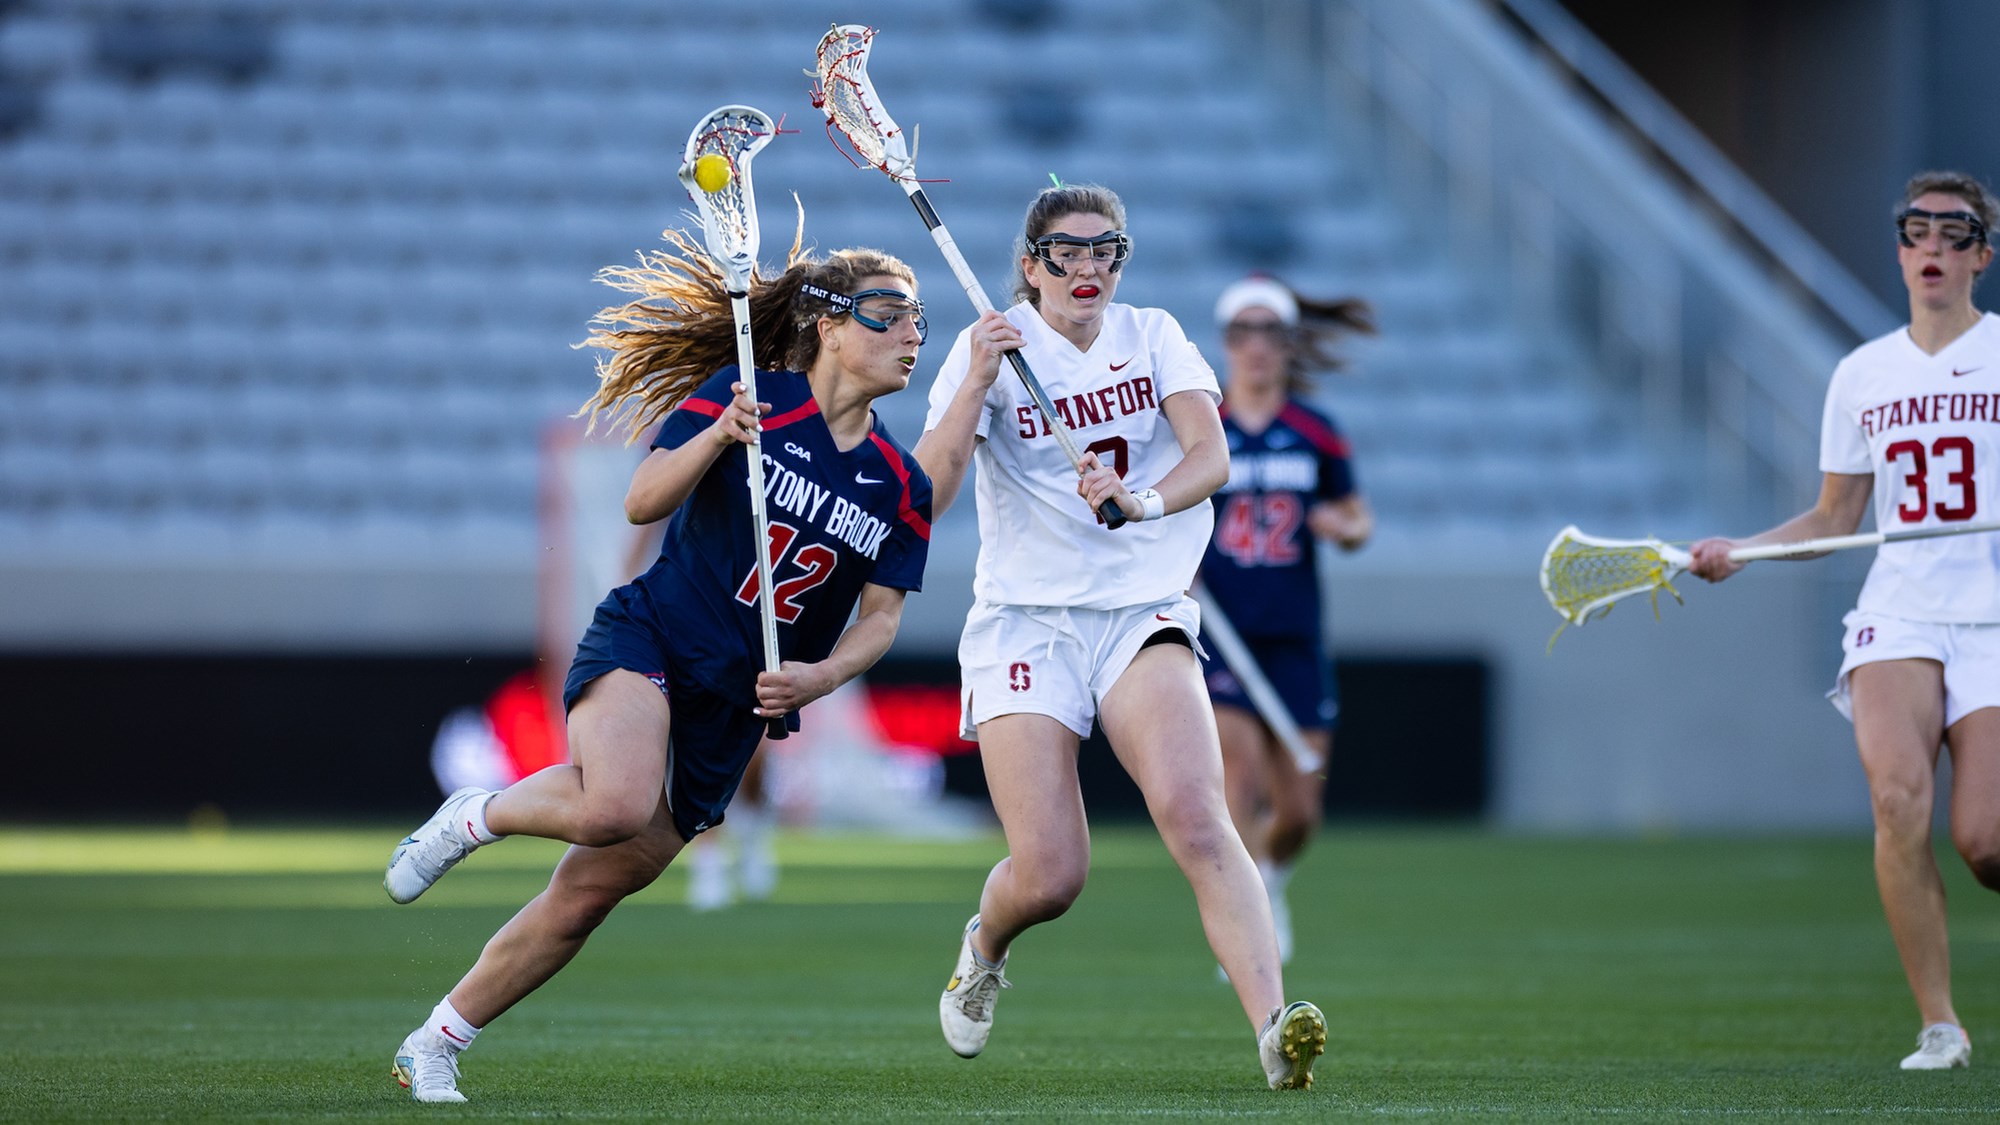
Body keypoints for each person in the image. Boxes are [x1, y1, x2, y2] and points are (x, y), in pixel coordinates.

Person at [381, 227, 935, 1103]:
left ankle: (436, 1039)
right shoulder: (747, 397)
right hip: (656, 638)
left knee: (592, 893)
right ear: (829, 326)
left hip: (737, 703)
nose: (911, 334)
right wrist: (718, 436)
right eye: (888, 314)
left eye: (919, 321)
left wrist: (822, 678)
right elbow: (642, 499)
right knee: (612, 803)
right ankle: (477, 815)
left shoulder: (902, 483)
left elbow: (882, 618)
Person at [914, 182, 1327, 1090]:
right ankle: (984, 944)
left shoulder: (1155, 334)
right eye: (1067, 251)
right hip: (1026, 619)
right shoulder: (985, 348)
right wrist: (977, 377)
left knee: (1198, 816)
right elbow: (929, 493)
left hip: (1142, 609)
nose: (1089, 267)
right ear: (1030, 266)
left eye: (1106, 250)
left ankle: (1272, 1024)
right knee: (1053, 873)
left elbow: (1209, 457)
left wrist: (1140, 500)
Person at [1687, 169, 2000, 1071]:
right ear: (1901, 249)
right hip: (1898, 612)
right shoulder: (1863, 372)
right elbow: (1832, 520)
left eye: (1955, 230)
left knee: (1985, 842)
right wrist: (1740, 550)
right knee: (1899, 800)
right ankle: (1942, 1024)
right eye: (1917, 229)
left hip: (1988, 619)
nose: (1933, 245)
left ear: (1983, 253)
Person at [1199, 275, 1375, 967]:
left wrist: (1347, 528)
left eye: (1268, 332)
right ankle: (1242, 920)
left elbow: (1357, 514)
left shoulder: (1314, 430)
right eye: (1242, 332)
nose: (1256, 347)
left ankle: (1266, 881)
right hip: (1221, 638)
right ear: (1227, 342)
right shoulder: (1202, 422)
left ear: (1287, 342)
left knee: (1299, 811)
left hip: (1294, 638)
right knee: (1237, 779)